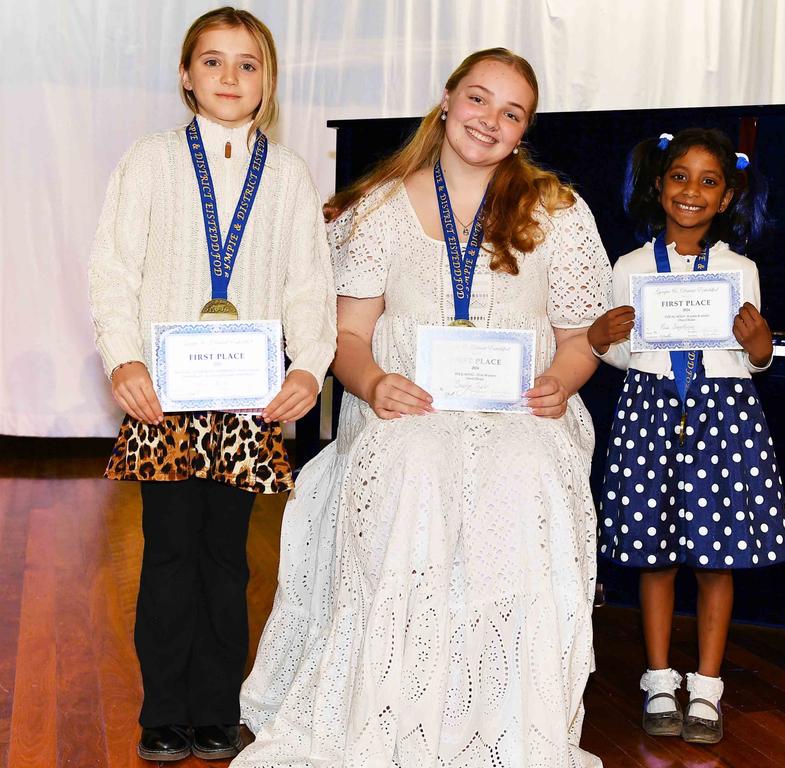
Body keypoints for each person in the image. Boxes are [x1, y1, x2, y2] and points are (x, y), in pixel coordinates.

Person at [235, 48, 612, 767]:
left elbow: (580, 338)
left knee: (529, 470)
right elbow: (345, 336)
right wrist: (373, 382)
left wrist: (561, 381)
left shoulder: (558, 211)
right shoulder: (379, 206)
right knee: (409, 462)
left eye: (512, 112)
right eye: (478, 99)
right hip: (409, 403)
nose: (490, 120)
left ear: (525, 129)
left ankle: (509, 720)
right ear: (446, 100)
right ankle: (389, 711)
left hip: (518, 412)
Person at [88, 6, 335, 761]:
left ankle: (216, 707)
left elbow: (308, 286)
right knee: (167, 556)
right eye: (213, 61)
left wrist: (307, 366)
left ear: (269, 82)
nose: (230, 77)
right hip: (164, 400)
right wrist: (123, 357)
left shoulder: (289, 176)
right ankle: (163, 710)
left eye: (247, 63)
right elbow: (113, 270)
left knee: (228, 562)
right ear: (186, 76)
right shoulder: (150, 160)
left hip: (246, 404)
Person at [588, 128, 785, 745]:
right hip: (649, 410)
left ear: (727, 197)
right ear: (658, 185)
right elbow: (624, 354)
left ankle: (705, 685)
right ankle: (658, 676)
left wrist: (761, 348)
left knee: (716, 554)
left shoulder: (740, 270)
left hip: (721, 414)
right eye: (680, 177)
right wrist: (602, 339)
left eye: (709, 182)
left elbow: (751, 356)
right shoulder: (627, 268)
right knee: (653, 553)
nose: (692, 191)